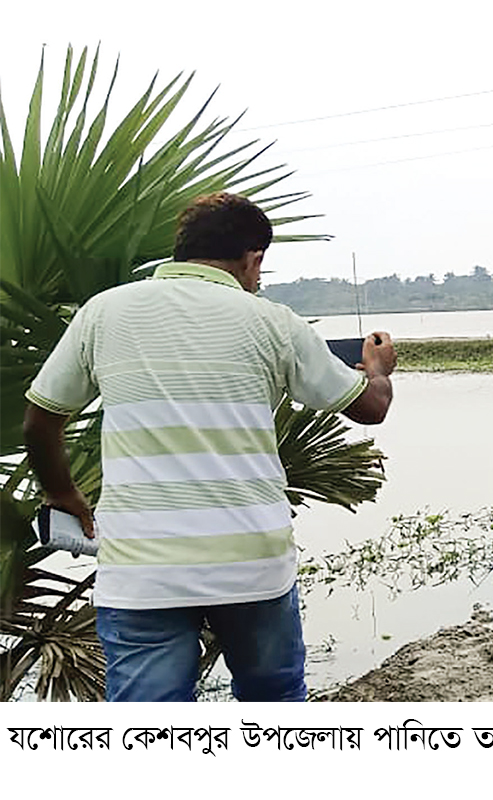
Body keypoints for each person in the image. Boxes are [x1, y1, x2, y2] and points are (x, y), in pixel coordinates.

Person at [22, 192, 397, 702]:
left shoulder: (103, 313)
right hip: (252, 565)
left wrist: (62, 493)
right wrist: (378, 368)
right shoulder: (273, 321)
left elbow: (42, 419)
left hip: (141, 570)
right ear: (253, 258)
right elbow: (370, 407)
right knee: (274, 703)